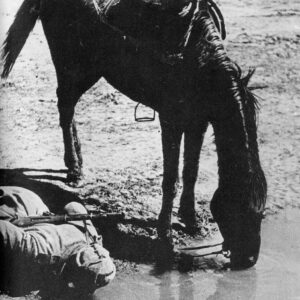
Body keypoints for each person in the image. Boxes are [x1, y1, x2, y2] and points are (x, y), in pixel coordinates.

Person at [0, 186, 116, 296]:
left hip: (31, 200)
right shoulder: (39, 251)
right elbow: (3, 229)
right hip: (9, 203)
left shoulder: (91, 236)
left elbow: (73, 206)